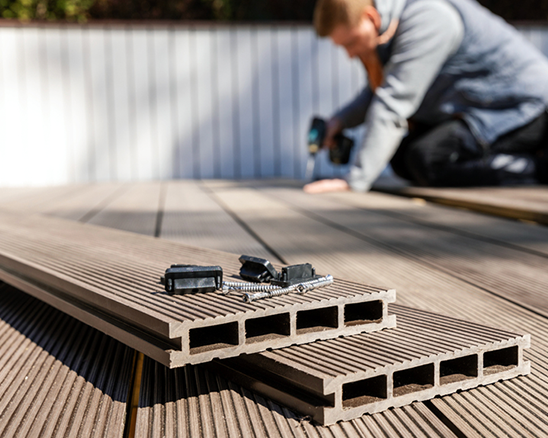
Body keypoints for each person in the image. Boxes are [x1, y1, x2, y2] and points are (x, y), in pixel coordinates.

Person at [304, 0, 548, 194]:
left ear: (371, 17)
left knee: (426, 159)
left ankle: (538, 168)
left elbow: (393, 102)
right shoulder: (392, 27)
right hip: (481, 109)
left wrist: (354, 182)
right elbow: (379, 93)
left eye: (351, 43)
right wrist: (339, 121)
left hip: (524, 108)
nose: (349, 54)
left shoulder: (428, 18)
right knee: (402, 158)